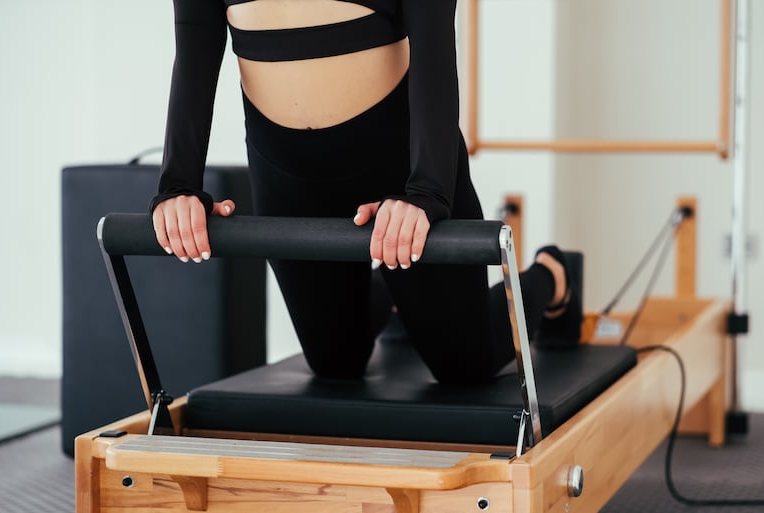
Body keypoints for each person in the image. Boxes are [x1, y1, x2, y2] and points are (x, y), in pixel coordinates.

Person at [150, 0, 581, 384]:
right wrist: (179, 186)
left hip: (401, 165)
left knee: (466, 365)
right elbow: (194, 46)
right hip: (286, 173)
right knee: (335, 363)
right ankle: (396, 296)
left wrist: (426, 192)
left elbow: (434, 49)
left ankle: (554, 273)